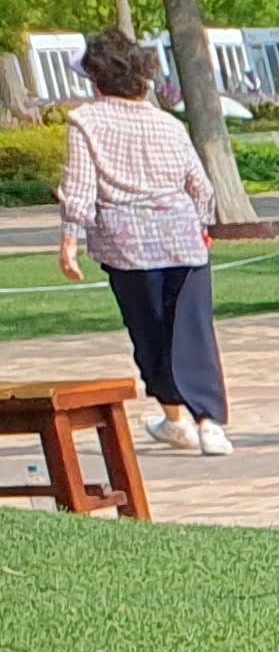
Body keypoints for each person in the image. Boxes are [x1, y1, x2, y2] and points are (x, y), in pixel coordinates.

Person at [50, 30, 229, 458]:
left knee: (149, 332)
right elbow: (199, 186)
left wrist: (69, 239)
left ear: (96, 79)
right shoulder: (168, 123)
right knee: (193, 331)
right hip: (182, 238)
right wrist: (202, 224)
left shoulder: (86, 121)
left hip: (127, 244)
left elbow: (79, 185)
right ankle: (208, 423)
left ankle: (174, 418)